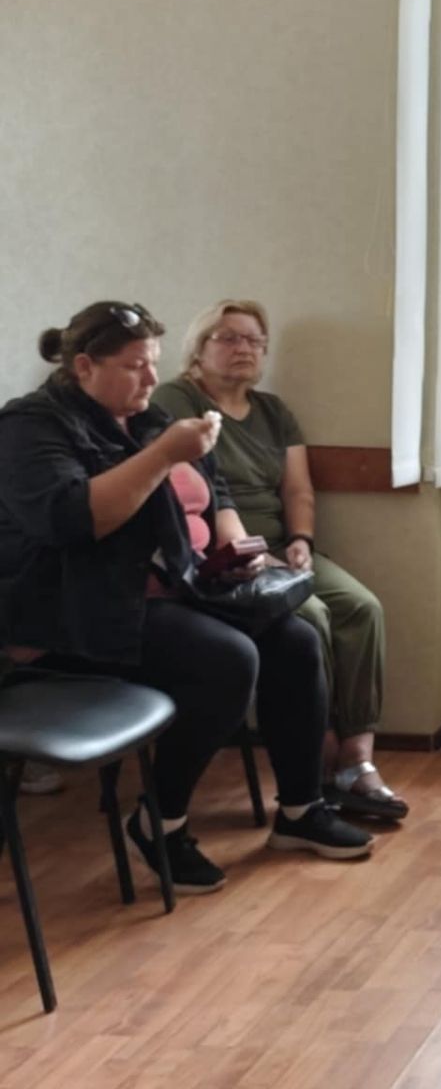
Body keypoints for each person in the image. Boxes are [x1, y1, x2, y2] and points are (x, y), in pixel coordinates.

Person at [0, 303, 372, 895]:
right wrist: (163, 455)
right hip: (72, 614)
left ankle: (301, 810)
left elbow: (214, 487)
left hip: (169, 589)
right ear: (84, 366)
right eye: (135, 366)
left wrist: (236, 547)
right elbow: (72, 521)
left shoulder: (146, 417)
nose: (152, 378)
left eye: (153, 363)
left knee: (296, 640)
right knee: (226, 659)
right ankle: (161, 822)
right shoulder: (31, 426)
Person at [152, 302, 405, 822]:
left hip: (279, 546)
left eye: (254, 340)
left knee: (361, 607)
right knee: (309, 616)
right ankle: (318, 762)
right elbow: (184, 494)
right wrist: (252, 553)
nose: (243, 348)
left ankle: (357, 759)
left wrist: (300, 541)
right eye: (228, 338)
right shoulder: (176, 400)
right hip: (221, 556)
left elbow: (297, 489)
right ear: (198, 349)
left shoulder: (273, 411)